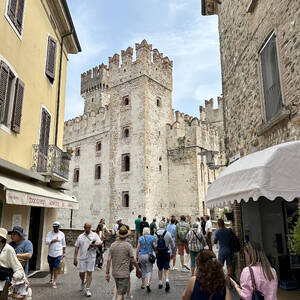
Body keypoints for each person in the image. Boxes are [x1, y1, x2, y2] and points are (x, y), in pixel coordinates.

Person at [106, 225, 141, 300]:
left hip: (115, 273)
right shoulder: (128, 246)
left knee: (120, 292)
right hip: (124, 273)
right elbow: (132, 260)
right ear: (126, 235)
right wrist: (138, 268)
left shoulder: (112, 245)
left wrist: (107, 273)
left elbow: (108, 260)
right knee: (120, 294)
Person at [73, 222, 102, 297]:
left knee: (89, 272)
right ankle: (83, 281)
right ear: (84, 227)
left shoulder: (94, 235)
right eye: (86, 227)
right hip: (82, 257)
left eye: (89, 227)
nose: (87, 229)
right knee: (81, 273)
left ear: (91, 227)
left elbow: (100, 242)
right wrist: (75, 258)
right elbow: (76, 247)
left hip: (91, 257)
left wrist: (95, 244)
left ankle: (88, 289)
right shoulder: (80, 236)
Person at [45, 221, 66, 289]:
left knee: (56, 267)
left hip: (58, 253)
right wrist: (53, 240)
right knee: (51, 267)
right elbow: (46, 242)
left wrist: (64, 252)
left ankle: (54, 281)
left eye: (57, 227)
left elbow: (63, 244)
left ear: (59, 227)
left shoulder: (62, 234)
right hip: (51, 253)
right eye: (54, 227)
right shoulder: (49, 234)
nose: (55, 228)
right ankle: (51, 277)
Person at [155, 221, 174, 292]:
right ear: (164, 226)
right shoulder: (168, 233)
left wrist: (155, 251)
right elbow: (171, 243)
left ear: (159, 226)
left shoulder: (155, 234)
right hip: (166, 252)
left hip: (159, 253)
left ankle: (160, 282)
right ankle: (167, 280)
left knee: (160, 268)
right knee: (166, 267)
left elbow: (154, 244)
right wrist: (173, 252)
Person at [136, 227, 156, 292]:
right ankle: (148, 283)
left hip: (141, 256)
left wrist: (136, 256)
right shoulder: (152, 237)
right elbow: (154, 246)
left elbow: (138, 248)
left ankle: (143, 284)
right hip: (149, 256)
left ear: (143, 232)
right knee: (149, 270)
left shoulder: (140, 238)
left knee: (143, 269)